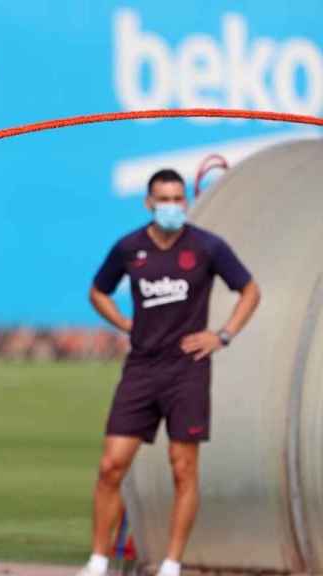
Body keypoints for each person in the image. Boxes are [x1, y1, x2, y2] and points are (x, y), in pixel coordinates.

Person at [77, 169, 261, 576]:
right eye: (164, 199)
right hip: (142, 368)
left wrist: (223, 335)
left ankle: (172, 563)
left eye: (179, 199)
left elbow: (250, 290)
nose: (173, 206)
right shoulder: (130, 248)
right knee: (112, 465)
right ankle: (97, 560)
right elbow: (98, 291)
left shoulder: (208, 247)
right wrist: (125, 324)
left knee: (183, 466)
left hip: (187, 370)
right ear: (149, 204)